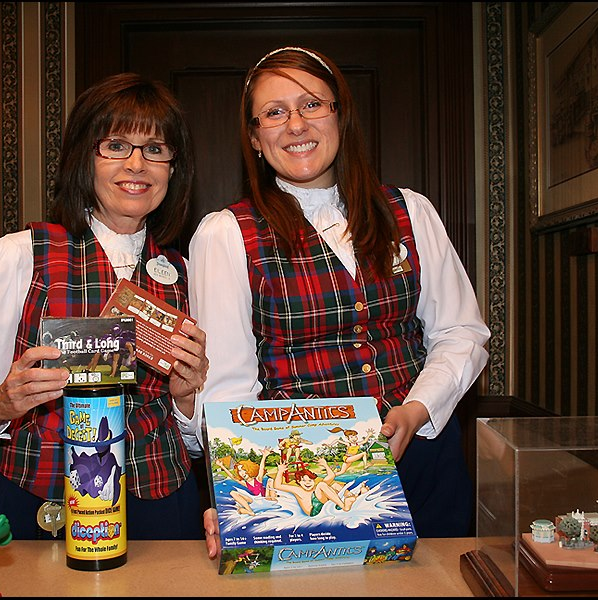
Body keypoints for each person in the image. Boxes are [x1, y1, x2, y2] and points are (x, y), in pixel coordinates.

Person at [187, 47, 490, 554]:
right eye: (274, 112)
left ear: (340, 117)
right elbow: (226, 386)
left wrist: (416, 410)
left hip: (425, 457)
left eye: (312, 105)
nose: (295, 124)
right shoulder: (225, 234)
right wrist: (237, 491)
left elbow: (461, 332)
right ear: (256, 138)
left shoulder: (410, 211)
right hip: (302, 479)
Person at [0, 72, 208, 540]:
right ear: (83, 158)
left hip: (164, 506)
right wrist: (2, 403)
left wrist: (187, 400)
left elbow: (195, 439)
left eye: (155, 149)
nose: (137, 165)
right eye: (115, 145)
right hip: (42, 504)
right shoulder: (19, 255)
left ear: (174, 167)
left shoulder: (188, 271)